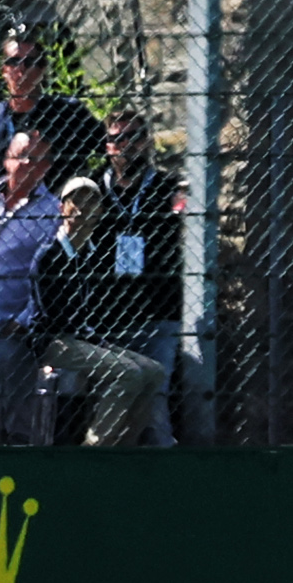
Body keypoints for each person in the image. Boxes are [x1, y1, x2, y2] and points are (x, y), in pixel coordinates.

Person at [29, 179, 169, 445]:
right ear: (62, 208)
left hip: (84, 337)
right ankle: (96, 446)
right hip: (54, 339)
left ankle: (123, 444)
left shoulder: (93, 254)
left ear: (101, 210)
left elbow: (92, 307)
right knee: (128, 373)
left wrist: (95, 337)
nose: (83, 207)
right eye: (76, 200)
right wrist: (93, 338)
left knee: (154, 372)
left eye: (92, 200)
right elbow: (54, 315)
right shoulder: (49, 254)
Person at [87, 114, 189, 439]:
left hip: (158, 312)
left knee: (154, 398)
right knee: (112, 400)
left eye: (133, 136)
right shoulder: (91, 189)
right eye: (117, 139)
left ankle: (164, 466)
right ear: (107, 146)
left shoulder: (166, 188)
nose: (125, 145)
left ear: (146, 141)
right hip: (108, 315)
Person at [0, 129, 65, 434]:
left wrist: (23, 321)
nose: (28, 164)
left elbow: (49, 273)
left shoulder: (51, 212)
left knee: (13, 421)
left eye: (38, 160)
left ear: (47, 167)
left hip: (9, 330)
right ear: (7, 160)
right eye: (22, 156)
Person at [0, 29, 103, 187]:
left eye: (29, 62)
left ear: (42, 69)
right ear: (4, 70)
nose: (21, 69)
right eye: (13, 62)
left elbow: (107, 147)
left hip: (54, 206)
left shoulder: (69, 112)